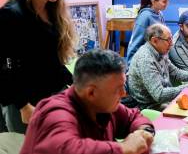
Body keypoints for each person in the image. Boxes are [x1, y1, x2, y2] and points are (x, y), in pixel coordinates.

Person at [0, 0, 76, 133]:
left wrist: (76, 83)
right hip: (25, 103)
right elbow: (4, 68)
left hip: (53, 95)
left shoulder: (54, 11)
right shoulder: (12, 14)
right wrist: (23, 105)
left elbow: (50, 59)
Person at [20, 49, 155, 154]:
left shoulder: (103, 104)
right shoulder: (56, 112)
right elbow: (67, 149)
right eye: (118, 89)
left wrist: (144, 131)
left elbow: (133, 116)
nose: (124, 94)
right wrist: (123, 148)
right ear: (91, 92)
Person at [129, 23, 188, 110]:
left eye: (171, 39)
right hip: (150, 106)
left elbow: (176, 72)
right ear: (154, 41)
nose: (171, 44)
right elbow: (159, 95)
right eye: (168, 40)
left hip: (163, 100)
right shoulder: (145, 59)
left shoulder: (161, 52)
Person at [126, 0, 169, 66]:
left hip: (158, 60)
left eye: (168, 0)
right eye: (164, 1)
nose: (167, 4)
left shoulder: (160, 14)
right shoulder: (145, 16)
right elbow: (135, 44)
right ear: (153, 1)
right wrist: (130, 67)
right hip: (145, 62)